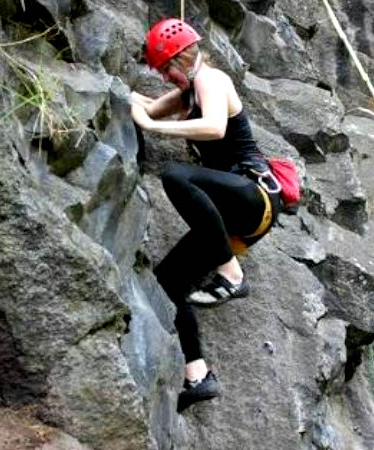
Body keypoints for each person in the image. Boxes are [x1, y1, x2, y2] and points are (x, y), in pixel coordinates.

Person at [130, 18, 281, 412]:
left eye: (166, 68)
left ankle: (231, 273)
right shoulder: (187, 92)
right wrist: (129, 102)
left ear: (183, 57)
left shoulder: (211, 80)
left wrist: (151, 125)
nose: (165, 77)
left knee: (176, 176)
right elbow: (146, 107)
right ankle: (198, 376)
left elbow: (214, 128)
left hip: (255, 195)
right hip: (230, 216)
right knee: (166, 282)